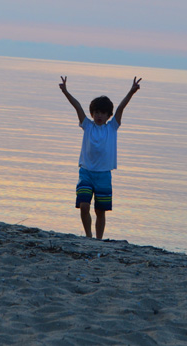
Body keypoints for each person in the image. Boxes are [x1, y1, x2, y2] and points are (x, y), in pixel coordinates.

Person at [59, 76, 142, 239]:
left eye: (103, 113)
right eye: (96, 112)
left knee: (100, 211)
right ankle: (88, 236)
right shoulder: (87, 125)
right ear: (92, 113)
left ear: (108, 115)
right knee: (83, 205)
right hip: (86, 172)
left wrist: (131, 92)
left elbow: (120, 108)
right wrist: (65, 92)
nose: (99, 115)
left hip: (104, 174)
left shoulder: (112, 127)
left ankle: (98, 239)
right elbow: (77, 106)